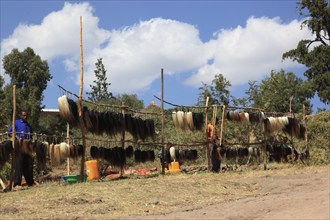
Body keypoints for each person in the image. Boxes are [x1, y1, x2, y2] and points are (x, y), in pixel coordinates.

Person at [8, 111, 35, 187]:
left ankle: (30, 182)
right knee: (19, 163)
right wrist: (16, 136)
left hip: (27, 146)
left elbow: (31, 135)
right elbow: (10, 132)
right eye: (23, 115)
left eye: (26, 115)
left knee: (29, 164)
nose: (25, 117)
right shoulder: (16, 123)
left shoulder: (28, 126)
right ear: (21, 115)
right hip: (19, 144)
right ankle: (17, 183)